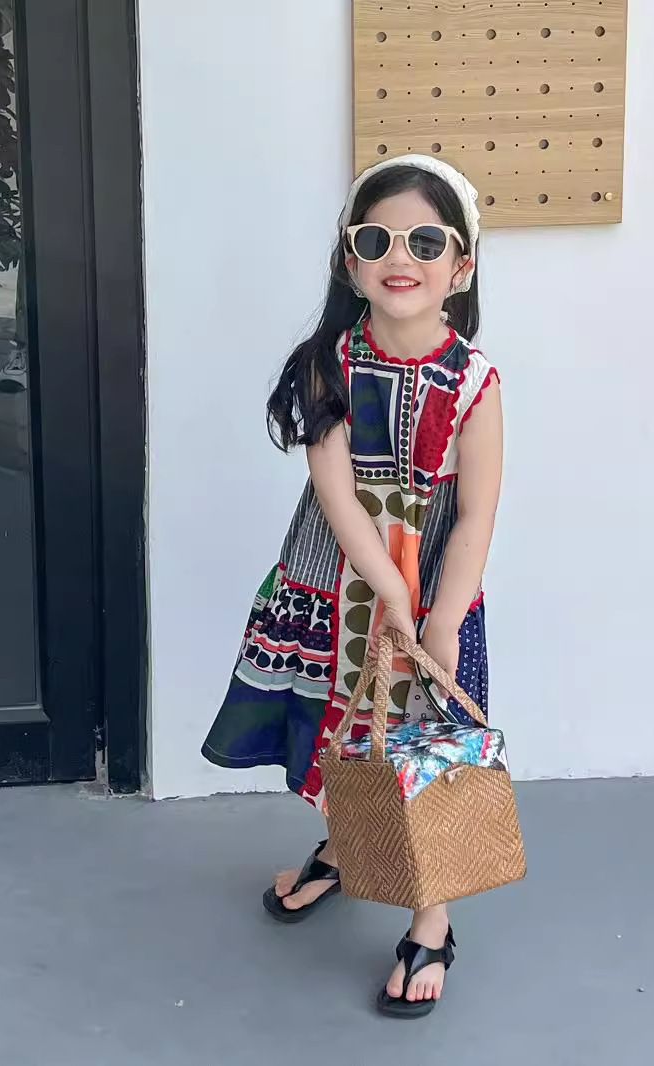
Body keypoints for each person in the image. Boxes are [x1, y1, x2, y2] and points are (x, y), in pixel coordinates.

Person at [201, 154, 503, 1017]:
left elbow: (476, 516)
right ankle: (345, 846)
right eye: (376, 240)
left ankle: (433, 920)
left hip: (436, 593)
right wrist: (388, 593)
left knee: (424, 753)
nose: (399, 257)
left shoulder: (475, 382)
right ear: (350, 261)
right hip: (335, 579)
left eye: (424, 241)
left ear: (460, 266)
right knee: (334, 732)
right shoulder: (326, 363)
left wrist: (439, 619)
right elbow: (335, 494)